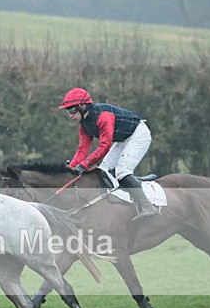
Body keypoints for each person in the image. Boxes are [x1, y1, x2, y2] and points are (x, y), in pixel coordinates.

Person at [58, 87, 158, 221]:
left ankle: (147, 207)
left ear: (82, 106)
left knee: (122, 172)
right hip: (123, 139)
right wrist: (71, 167)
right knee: (102, 171)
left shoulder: (103, 116)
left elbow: (104, 147)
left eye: (72, 110)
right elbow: (82, 150)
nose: (70, 115)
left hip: (138, 134)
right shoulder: (84, 125)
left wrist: (85, 165)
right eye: (68, 111)